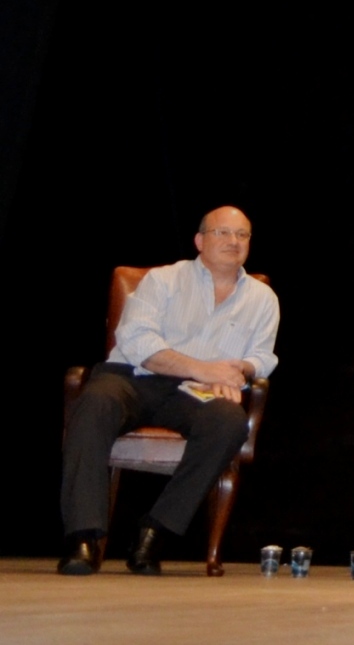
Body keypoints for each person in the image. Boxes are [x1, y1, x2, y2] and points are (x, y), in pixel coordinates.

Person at [58, 206, 281, 576]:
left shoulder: (262, 298)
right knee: (94, 401)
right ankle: (82, 538)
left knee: (229, 422)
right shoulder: (164, 280)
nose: (233, 242)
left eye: (242, 235)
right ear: (200, 240)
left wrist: (238, 370)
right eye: (223, 233)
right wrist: (203, 367)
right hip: (134, 377)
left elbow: (262, 356)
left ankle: (154, 531)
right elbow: (137, 340)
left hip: (197, 393)